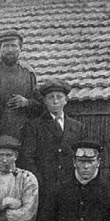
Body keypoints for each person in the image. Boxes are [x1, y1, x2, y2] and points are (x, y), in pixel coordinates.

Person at [21, 78, 85, 206]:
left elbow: (82, 156)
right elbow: (28, 158)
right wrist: (39, 182)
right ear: (45, 101)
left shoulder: (77, 127)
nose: (55, 101)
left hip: (71, 185)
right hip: (44, 187)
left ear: (66, 100)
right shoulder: (34, 126)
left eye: (59, 97)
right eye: (51, 97)